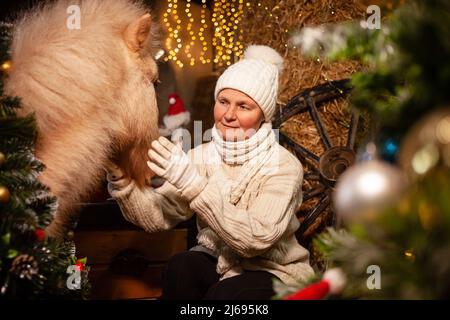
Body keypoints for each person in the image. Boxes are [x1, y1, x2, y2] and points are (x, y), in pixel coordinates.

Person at [106, 45, 314, 300]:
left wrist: (193, 184)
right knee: (181, 267)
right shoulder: (201, 156)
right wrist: (122, 179)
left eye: (244, 106)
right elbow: (156, 218)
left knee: (228, 292)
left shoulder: (282, 165)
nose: (229, 115)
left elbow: (255, 240)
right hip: (219, 262)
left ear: (263, 116)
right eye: (223, 102)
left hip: (274, 271)